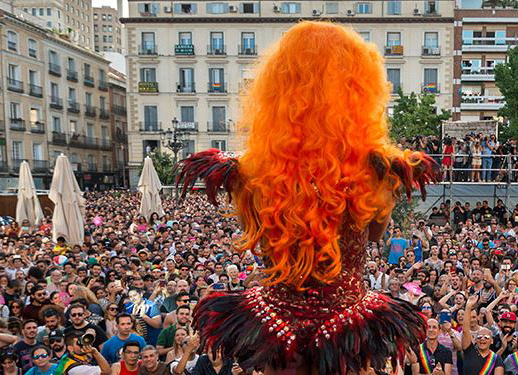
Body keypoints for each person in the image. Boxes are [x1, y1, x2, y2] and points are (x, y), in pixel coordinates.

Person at [177, 21, 437, 375]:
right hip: (345, 328)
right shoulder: (376, 170)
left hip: (276, 326)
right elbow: (375, 237)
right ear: (357, 89)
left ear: (276, 88)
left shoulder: (250, 172)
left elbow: (255, 239)